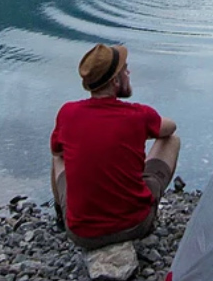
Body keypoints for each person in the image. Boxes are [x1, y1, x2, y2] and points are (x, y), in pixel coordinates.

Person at [49, 43, 181, 250]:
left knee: (58, 157)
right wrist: (140, 133)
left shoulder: (68, 113)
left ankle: (60, 216)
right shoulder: (138, 115)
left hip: (81, 234)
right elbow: (171, 127)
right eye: (125, 70)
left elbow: (57, 151)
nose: (129, 73)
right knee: (171, 141)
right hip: (135, 225)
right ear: (115, 81)